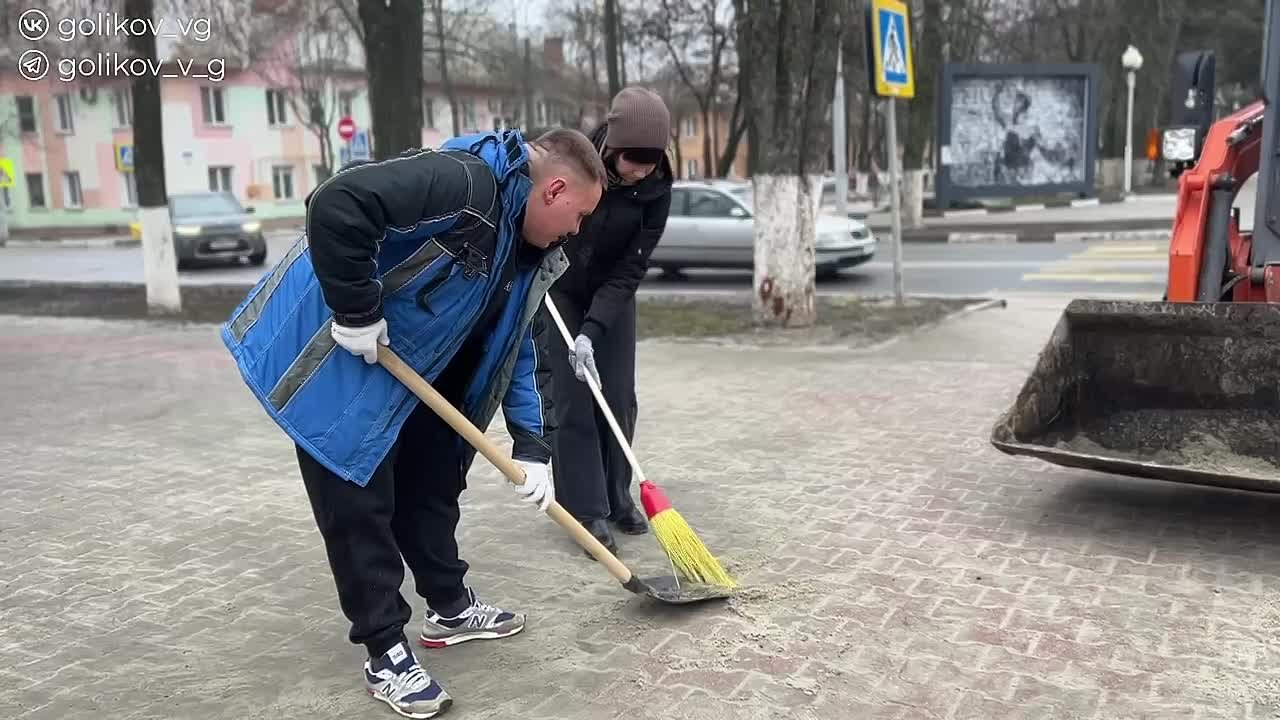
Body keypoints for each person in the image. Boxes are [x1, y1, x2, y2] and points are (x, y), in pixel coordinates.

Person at [220, 127, 606, 719]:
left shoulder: (528, 248)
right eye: (576, 217)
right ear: (553, 189)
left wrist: (533, 445)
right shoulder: (463, 182)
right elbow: (337, 202)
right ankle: (384, 650)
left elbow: (515, 346)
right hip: (337, 355)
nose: (575, 234)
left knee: (432, 484)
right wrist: (356, 310)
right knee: (358, 507)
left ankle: (448, 606)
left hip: (414, 370)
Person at [546, 87, 674, 556]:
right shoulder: (578, 163)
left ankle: (618, 496)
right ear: (612, 148)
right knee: (575, 398)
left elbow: (631, 268)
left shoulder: (658, 189)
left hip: (613, 295)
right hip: (560, 286)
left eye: (650, 161)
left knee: (617, 395)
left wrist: (593, 331)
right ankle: (587, 510)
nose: (641, 170)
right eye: (632, 160)